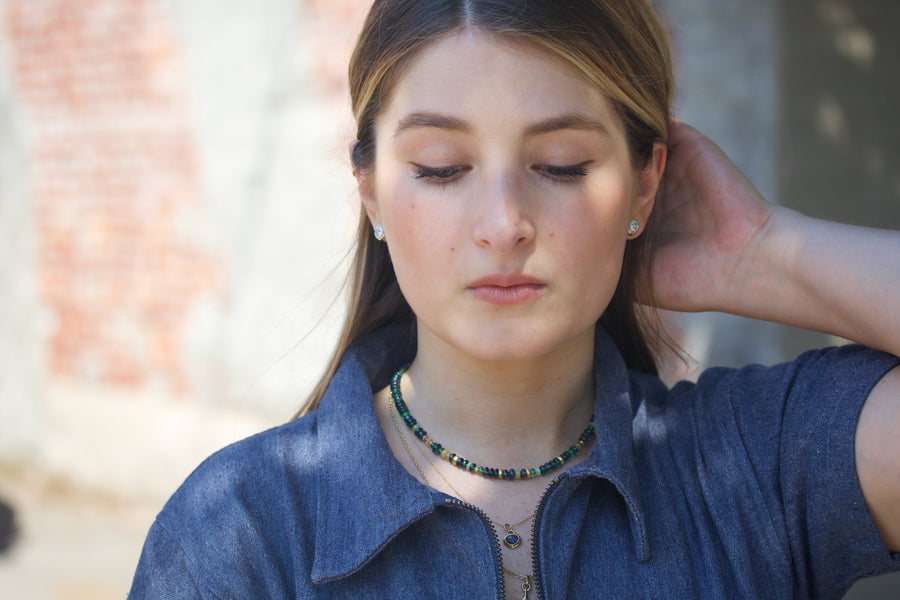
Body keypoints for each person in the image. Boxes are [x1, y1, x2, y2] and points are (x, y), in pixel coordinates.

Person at [128, 0, 900, 598]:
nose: (503, 224)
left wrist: (760, 255)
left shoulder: (753, 466)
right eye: (440, 166)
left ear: (644, 183)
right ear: (370, 193)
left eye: (561, 164)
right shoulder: (239, 533)